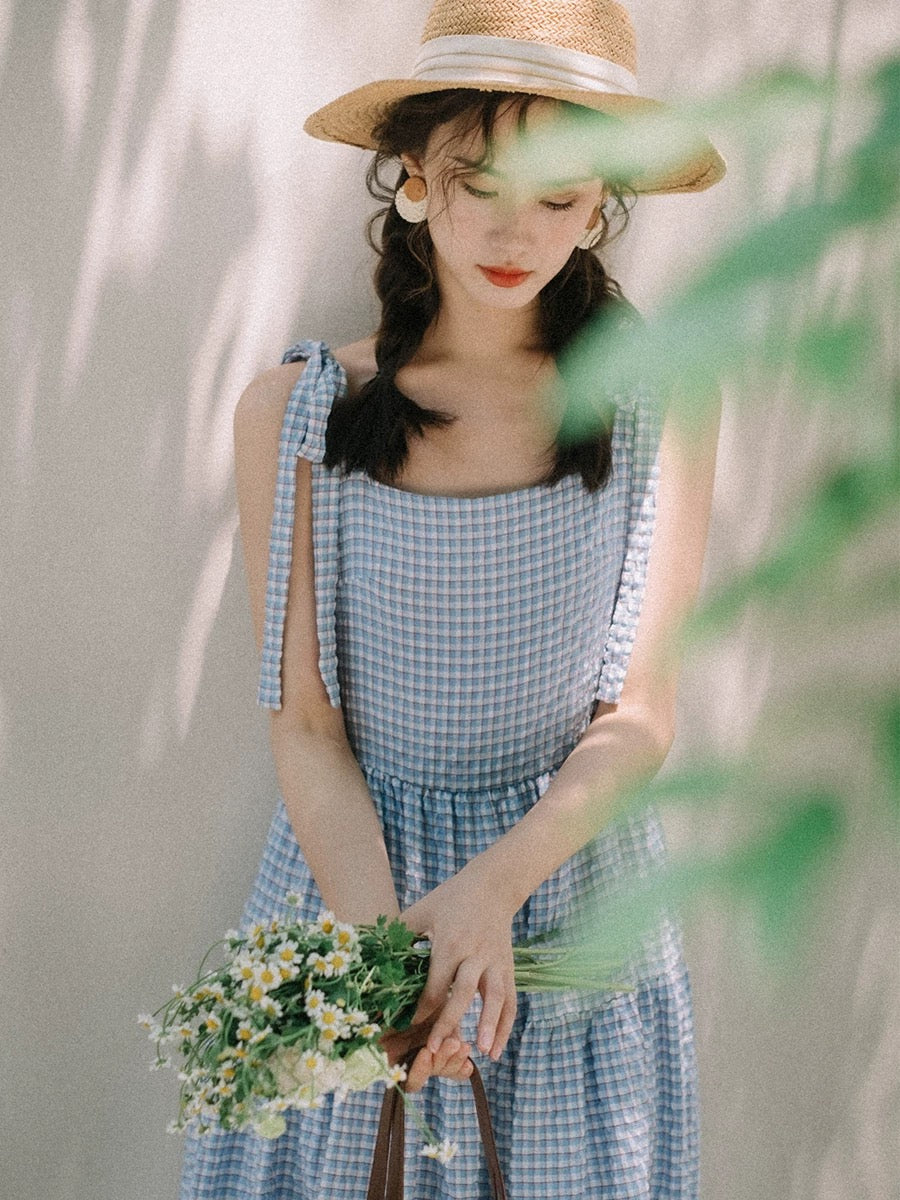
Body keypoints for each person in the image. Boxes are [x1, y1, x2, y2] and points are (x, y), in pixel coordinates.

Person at [179, 1, 724, 1196]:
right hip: (359, 886)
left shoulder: (656, 406)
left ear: (600, 205)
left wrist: (491, 897)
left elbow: (640, 715)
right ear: (415, 179)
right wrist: (391, 964)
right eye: (479, 182)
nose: (513, 227)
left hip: (564, 885)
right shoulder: (299, 415)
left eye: (556, 190)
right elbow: (307, 728)